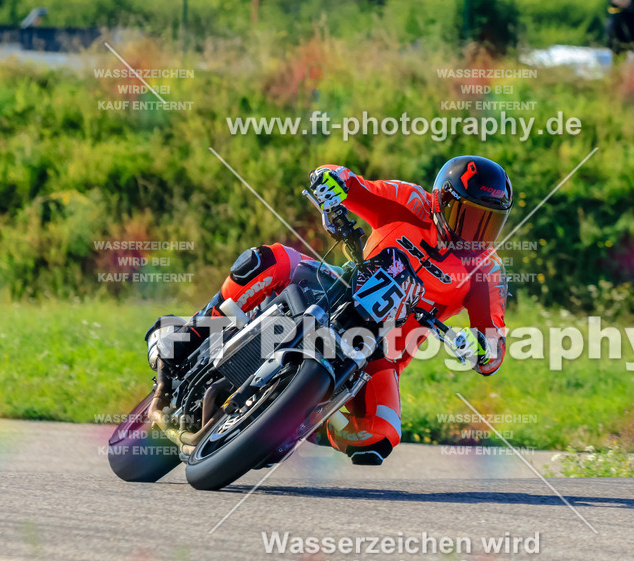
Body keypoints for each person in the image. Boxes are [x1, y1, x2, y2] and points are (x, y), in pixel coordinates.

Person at [147, 157, 512, 466]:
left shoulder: (487, 270)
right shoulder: (411, 202)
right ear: (443, 200)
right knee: (269, 260)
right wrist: (331, 182)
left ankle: (299, 419)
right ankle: (193, 331)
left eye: (489, 222)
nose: (475, 233)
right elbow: (355, 185)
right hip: (338, 289)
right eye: (468, 216)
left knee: (380, 437)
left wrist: (482, 349)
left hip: (379, 353)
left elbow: (494, 338)